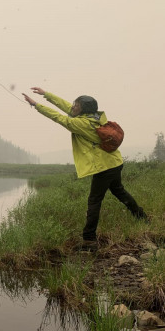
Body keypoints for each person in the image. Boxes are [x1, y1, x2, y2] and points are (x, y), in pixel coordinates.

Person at [22, 87, 148, 251]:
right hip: (115, 162)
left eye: (77, 105)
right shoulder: (96, 117)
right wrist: (46, 94)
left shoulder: (82, 124)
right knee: (119, 191)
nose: (73, 107)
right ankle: (142, 217)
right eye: (75, 104)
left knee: (94, 201)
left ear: (83, 109)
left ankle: (89, 240)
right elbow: (67, 107)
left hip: (105, 167)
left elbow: (59, 118)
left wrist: (36, 105)